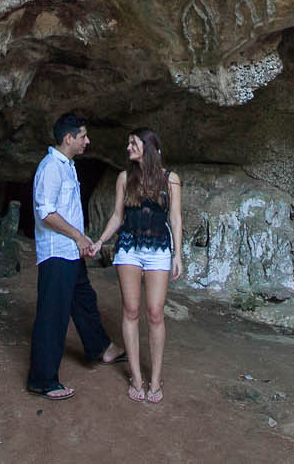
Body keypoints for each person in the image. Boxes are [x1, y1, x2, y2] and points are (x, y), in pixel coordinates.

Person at [26, 112, 121, 399]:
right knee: (52, 315)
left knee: (84, 300)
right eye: (83, 136)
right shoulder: (50, 168)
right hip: (56, 253)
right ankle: (42, 380)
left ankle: (101, 348)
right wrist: (78, 237)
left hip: (71, 251)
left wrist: (83, 240)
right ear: (69, 138)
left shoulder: (67, 166)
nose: (87, 141)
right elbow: (46, 213)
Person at [93, 127, 183, 404]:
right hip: (129, 248)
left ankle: (155, 378)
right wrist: (100, 241)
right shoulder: (124, 177)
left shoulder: (171, 179)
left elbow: (176, 219)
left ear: (147, 146)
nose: (127, 147)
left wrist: (178, 254)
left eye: (133, 143)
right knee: (131, 310)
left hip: (158, 248)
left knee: (155, 313)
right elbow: (118, 216)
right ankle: (136, 376)